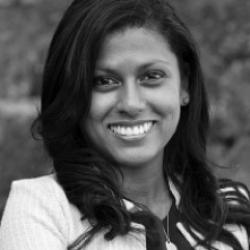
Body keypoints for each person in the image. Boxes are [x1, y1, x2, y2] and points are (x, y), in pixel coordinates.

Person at [0, 0, 250, 249]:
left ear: (184, 85)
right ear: (72, 93)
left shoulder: (228, 209)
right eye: (104, 81)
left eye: (152, 76)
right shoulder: (42, 207)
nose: (131, 104)